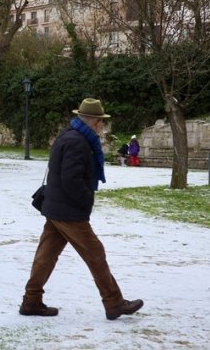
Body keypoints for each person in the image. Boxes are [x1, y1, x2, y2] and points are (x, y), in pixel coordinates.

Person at [19, 98, 143, 321]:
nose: (101, 127)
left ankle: (31, 301)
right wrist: (86, 200)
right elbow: (71, 179)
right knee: (95, 253)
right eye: (101, 123)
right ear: (94, 122)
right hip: (68, 210)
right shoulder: (77, 141)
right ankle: (114, 303)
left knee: (46, 255)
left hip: (57, 206)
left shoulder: (69, 135)